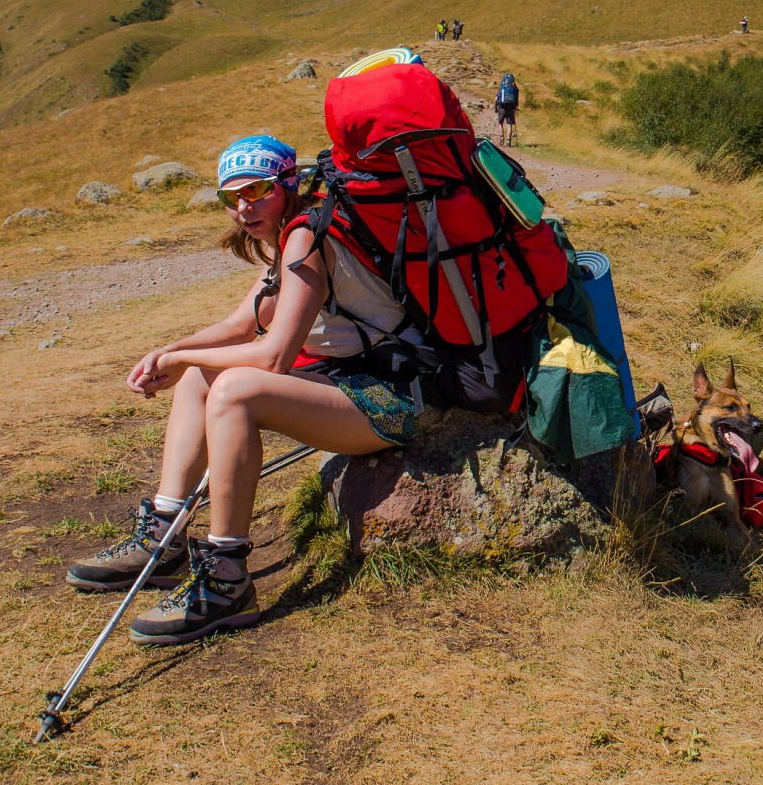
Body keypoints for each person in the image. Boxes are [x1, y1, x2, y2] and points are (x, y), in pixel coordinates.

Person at [64, 135, 419, 645]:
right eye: (231, 198)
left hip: (393, 399)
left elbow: (272, 356)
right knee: (204, 377)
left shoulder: (307, 237)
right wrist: (169, 353)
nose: (242, 208)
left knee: (234, 389)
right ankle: (165, 538)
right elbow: (238, 325)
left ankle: (227, 579)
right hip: (351, 385)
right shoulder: (293, 234)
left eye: (255, 191)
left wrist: (184, 357)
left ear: (287, 185)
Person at [494, 73, 520, 146]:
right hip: (511, 108)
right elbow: (516, 99)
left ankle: (502, 138)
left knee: (500, 123)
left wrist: (495, 108)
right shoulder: (515, 89)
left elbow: (495, 99)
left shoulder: (502, 89)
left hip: (502, 108)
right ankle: (508, 142)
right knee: (509, 125)